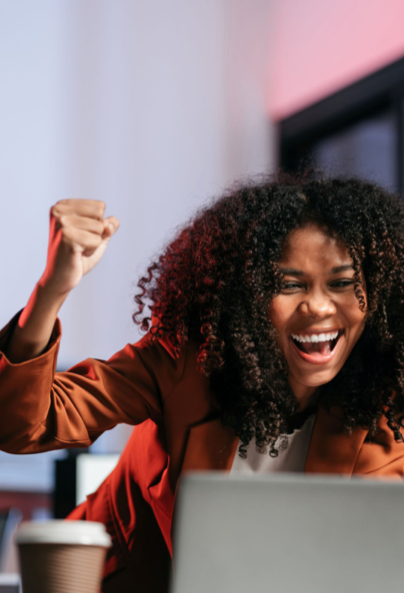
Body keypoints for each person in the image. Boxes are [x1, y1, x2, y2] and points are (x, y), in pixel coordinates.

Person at [0, 173, 404, 593]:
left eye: (341, 283)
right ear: (247, 293)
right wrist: (51, 291)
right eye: (289, 284)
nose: (319, 307)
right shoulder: (187, 362)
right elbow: (21, 423)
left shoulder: (387, 406)